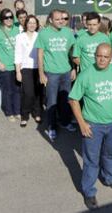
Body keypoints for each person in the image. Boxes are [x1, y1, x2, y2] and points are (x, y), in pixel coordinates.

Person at [69, 43, 112, 210]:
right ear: (95, 56)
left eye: (105, 57)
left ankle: (109, 178)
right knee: (91, 160)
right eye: (99, 56)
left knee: (111, 155)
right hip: (93, 125)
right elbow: (73, 100)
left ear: (111, 58)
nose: (101, 59)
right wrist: (82, 124)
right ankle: (88, 191)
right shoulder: (86, 75)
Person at [35, 9, 77, 141]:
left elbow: (72, 52)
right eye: (57, 19)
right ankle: (51, 127)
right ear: (51, 20)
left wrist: (74, 68)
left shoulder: (68, 32)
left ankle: (65, 122)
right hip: (51, 73)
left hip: (66, 72)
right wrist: (41, 73)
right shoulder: (43, 34)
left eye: (62, 19)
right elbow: (40, 55)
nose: (61, 21)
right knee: (51, 102)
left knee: (66, 100)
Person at [0, 8, 21, 123]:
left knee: (17, 90)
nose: (9, 19)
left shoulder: (17, 30)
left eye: (11, 17)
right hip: (5, 67)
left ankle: (17, 111)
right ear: (2, 19)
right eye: (6, 17)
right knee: (7, 91)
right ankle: (9, 112)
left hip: (17, 66)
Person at [14, 15, 43, 127]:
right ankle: (24, 115)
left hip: (39, 68)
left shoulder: (40, 36)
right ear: (26, 24)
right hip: (26, 68)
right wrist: (18, 71)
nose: (32, 25)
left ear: (37, 25)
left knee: (38, 93)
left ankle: (37, 113)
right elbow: (18, 54)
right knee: (28, 93)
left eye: (34, 23)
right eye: (29, 22)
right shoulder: (20, 37)